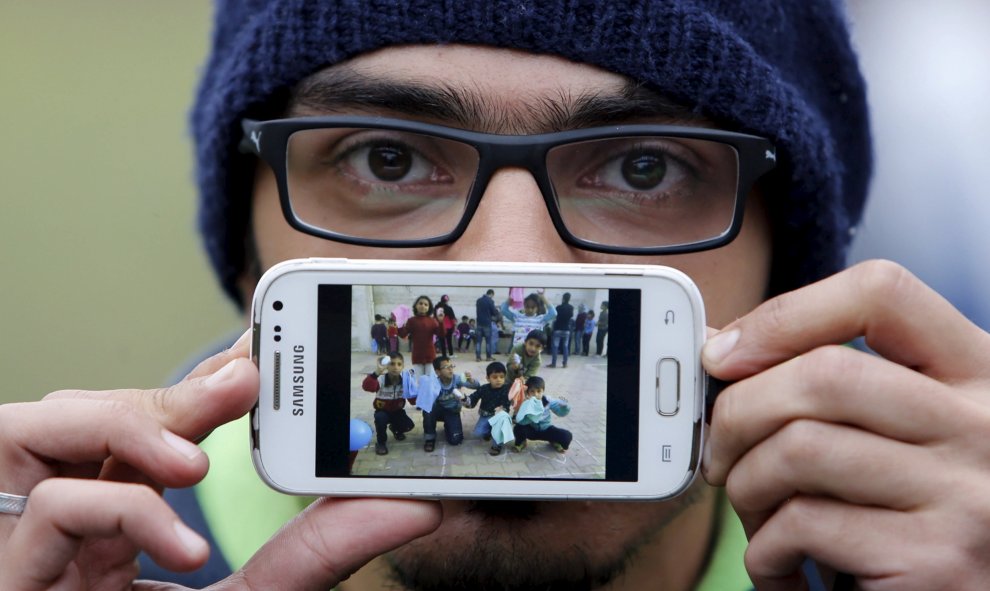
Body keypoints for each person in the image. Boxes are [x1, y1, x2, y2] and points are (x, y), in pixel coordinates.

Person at [4, 2, 990, 591]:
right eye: (385, 159)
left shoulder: (937, 547)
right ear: (251, 252)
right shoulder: (69, 559)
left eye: (645, 171)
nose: (521, 280)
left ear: (791, 265)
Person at [361, 351, 416, 455]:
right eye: (392, 364)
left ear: (403, 366)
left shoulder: (406, 381)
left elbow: (413, 401)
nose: (396, 367)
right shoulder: (381, 379)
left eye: (399, 364)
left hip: (397, 411)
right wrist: (376, 372)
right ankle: (381, 443)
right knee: (380, 419)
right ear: (387, 366)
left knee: (408, 426)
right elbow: (367, 387)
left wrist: (419, 391)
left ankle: (395, 429)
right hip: (382, 411)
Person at [421, 356, 480, 452]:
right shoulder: (433, 381)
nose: (450, 369)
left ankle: (449, 426)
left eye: (451, 366)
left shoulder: (457, 379)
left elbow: (477, 386)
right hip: (437, 410)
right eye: (446, 367)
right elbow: (423, 399)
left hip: (452, 411)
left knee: (456, 440)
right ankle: (430, 438)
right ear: (438, 372)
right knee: (428, 409)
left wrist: (471, 380)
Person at [512, 376, 572, 453]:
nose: (535, 394)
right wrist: (524, 412)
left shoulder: (548, 400)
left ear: (543, 391)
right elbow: (521, 421)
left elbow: (560, 413)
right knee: (518, 428)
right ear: (528, 392)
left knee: (566, 436)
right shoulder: (526, 403)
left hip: (546, 430)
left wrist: (565, 407)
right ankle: (521, 442)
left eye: (539, 391)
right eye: (532, 391)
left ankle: (554, 440)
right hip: (532, 430)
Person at [464, 361, 512, 454]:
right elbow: (474, 397)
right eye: (495, 377)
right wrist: (466, 400)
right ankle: (489, 431)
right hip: (486, 415)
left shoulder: (507, 389)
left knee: (499, 429)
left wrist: (503, 409)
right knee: (478, 433)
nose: (498, 380)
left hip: (499, 417)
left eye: (501, 377)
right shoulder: (484, 388)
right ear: (488, 378)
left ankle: (497, 445)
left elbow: (509, 401)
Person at [398, 295, 443, 377]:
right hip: (417, 356)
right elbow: (403, 334)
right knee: (419, 381)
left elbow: (441, 334)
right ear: (416, 306)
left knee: (430, 380)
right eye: (420, 303)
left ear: (429, 308)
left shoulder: (432, 321)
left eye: (426, 304)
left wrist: (441, 322)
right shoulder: (411, 321)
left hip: (430, 356)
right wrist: (399, 324)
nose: (423, 306)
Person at [548, 292, 574, 368]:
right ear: (569, 299)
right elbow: (571, 316)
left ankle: (553, 363)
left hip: (558, 329)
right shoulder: (571, 308)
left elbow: (555, 317)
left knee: (555, 346)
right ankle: (565, 363)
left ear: (563, 298)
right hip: (566, 330)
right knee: (565, 347)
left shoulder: (558, 307)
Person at [475, 288, 498, 361]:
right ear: (491, 294)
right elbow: (494, 312)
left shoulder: (478, 300)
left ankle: (478, 357)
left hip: (479, 323)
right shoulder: (490, 301)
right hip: (487, 323)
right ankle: (488, 357)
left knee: (478, 342)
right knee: (488, 342)